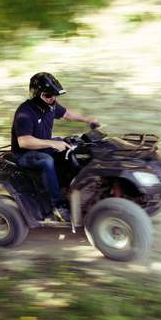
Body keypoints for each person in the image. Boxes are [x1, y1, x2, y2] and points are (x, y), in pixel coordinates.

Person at [10, 72, 99, 222]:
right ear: (37, 95)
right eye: (49, 95)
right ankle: (58, 206)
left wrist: (88, 120)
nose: (53, 99)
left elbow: (66, 114)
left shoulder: (51, 105)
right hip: (24, 154)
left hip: (41, 145)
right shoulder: (25, 112)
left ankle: (73, 189)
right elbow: (24, 142)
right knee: (46, 161)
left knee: (73, 147)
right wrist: (52, 143)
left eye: (54, 96)